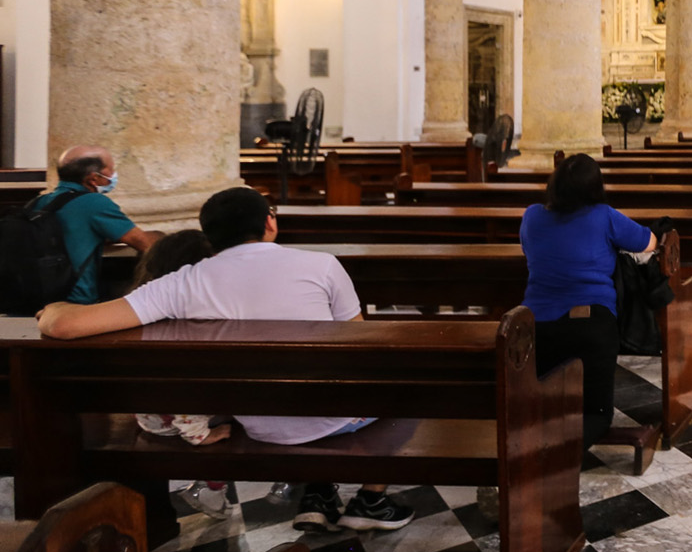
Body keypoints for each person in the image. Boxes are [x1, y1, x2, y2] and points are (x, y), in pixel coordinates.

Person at [36, 187, 414, 533]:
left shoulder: (183, 281)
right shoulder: (322, 266)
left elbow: (65, 326)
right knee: (408, 389)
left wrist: (54, 309)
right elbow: (362, 347)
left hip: (257, 423)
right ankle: (370, 499)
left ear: (211, 236)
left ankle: (319, 492)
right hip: (334, 417)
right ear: (270, 222)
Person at [520, 154, 656, 446]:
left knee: (549, 405)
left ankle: (539, 445)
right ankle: (558, 459)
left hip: (535, 328)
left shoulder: (531, 216)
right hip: (590, 326)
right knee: (595, 414)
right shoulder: (603, 216)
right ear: (596, 187)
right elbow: (649, 242)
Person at [128, 230, 235, 517]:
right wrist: (199, 434)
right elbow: (187, 390)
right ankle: (212, 488)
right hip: (180, 421)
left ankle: (212, 488)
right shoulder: (195, 319)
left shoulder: (139, 307)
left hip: (149, 416)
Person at [32, 146, 158, 305]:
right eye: (111, 170)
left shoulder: (38, 202)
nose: (113, 175)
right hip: (76, 299)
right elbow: (144, 243)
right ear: (93, 178)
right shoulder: (94, 203)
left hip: (38, 295)